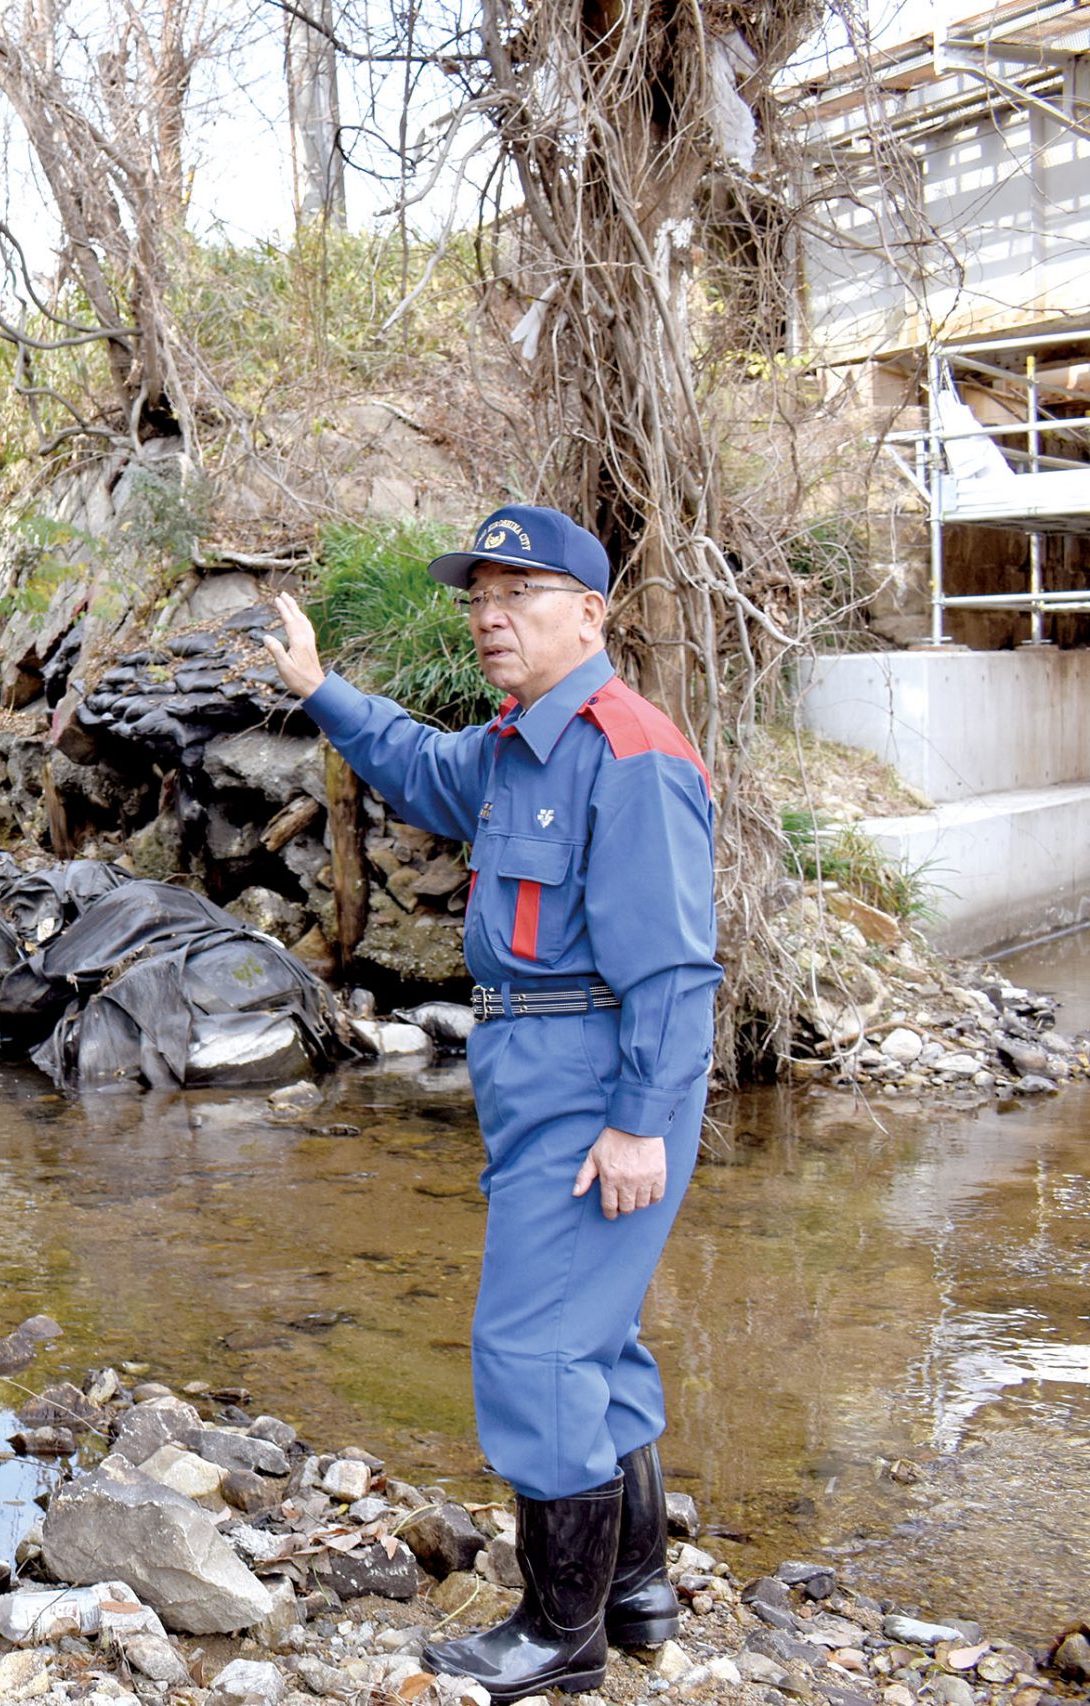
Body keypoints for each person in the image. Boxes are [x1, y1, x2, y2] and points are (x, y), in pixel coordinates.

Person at [261, 505, 720, 1703]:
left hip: (593, 1081)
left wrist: (637, 1125)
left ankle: (554, 1631)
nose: (488, 617)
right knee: (593, 1341)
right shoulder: (520, 742)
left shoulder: (632, 753)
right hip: (533, 1070)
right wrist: (320, 687)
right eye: (476, 597)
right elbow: (415, 765)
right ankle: (633, 1590)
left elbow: (674, 973)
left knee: (532, 1345)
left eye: (517, 593)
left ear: (590, 611)